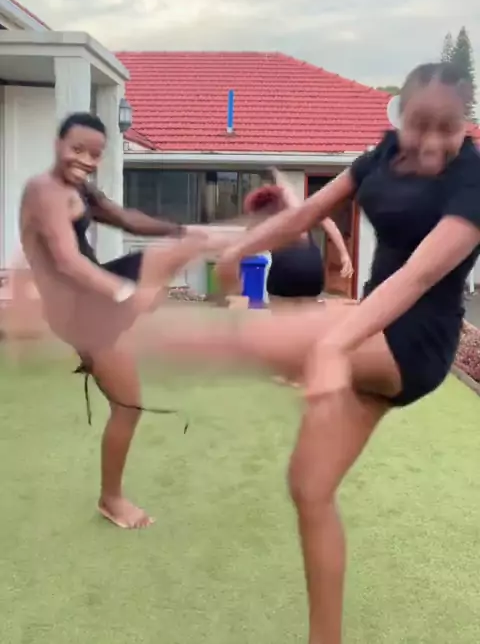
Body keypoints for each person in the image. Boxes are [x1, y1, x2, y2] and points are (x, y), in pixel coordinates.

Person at [10, 63, 480, 641]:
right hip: (375, 329)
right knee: (309, 488)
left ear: (467, 122)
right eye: (419, 124)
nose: (431, 142)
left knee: (236, 337)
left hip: (414, 342)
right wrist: (240, 250)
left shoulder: (472, 180)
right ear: (400, 115)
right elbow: (305, 213)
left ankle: (57, 332)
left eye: (447, 127)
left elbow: (418, 276)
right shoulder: (381, 154)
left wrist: (334, 345)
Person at [15, 111, 224, 530]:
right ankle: (111, 500)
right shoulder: (44, 191)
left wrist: (180, 231)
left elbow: (126, 218)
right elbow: (68, 261)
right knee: (128, 405)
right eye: (77, 149)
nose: (86, 160)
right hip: (78, 310)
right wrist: (124, 292)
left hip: (96, 292)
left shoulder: (78, 189)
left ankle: (129, 322)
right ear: (57, 145)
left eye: (95, 154)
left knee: (171, 252)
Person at [241, 169, 353, 385]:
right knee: (306, 324)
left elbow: (248, 238)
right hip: (311, 271)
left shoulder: (267, 218)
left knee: (283, 325)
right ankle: (306, 372)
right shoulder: (302, 210)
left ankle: (288, 373)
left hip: (286, 271)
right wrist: (344, 254)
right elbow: (327, 222)